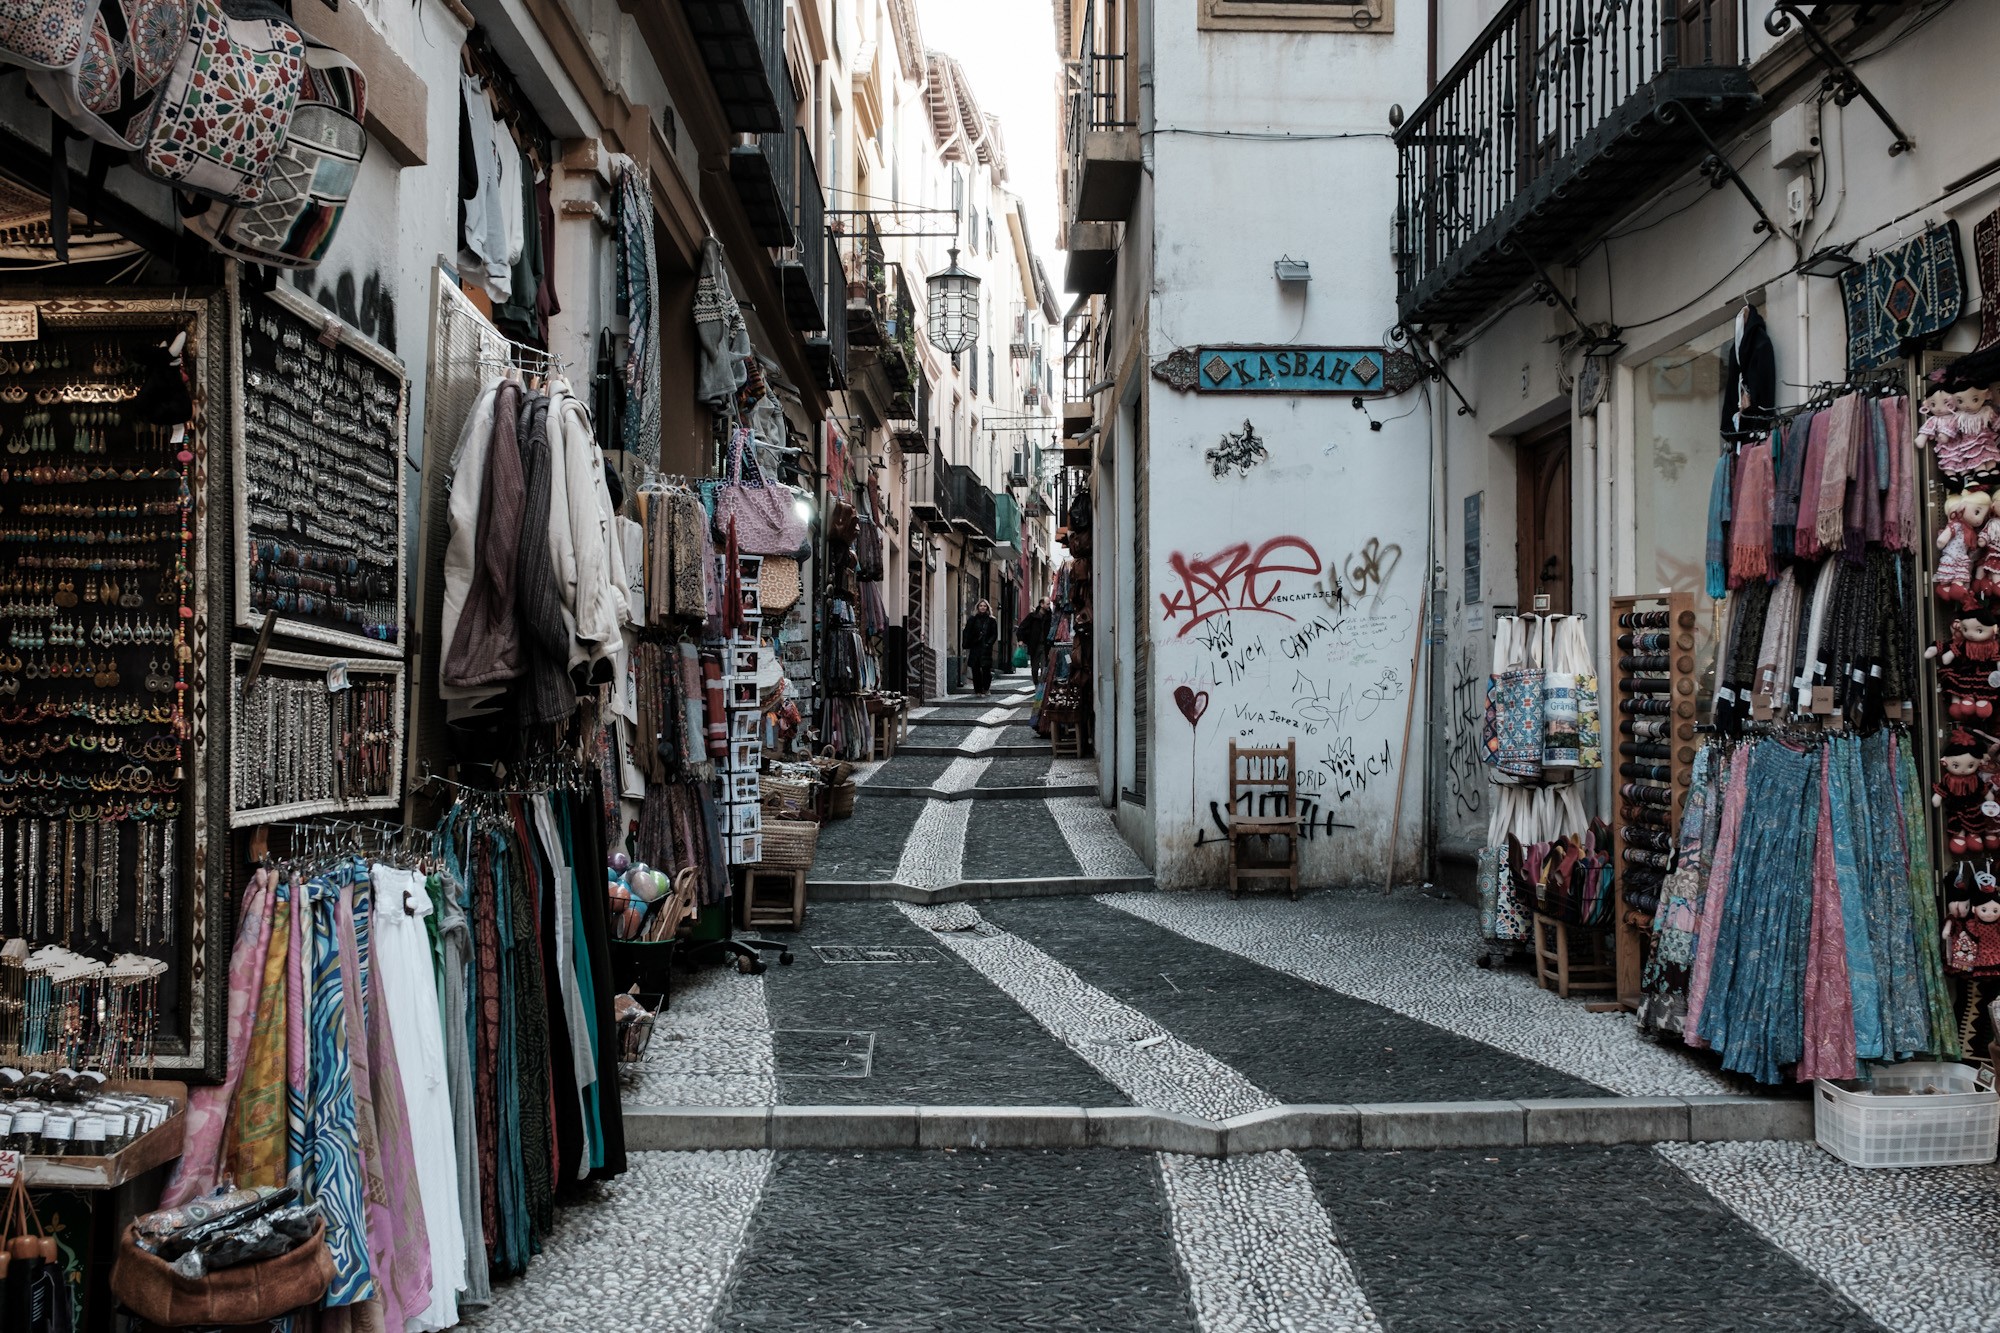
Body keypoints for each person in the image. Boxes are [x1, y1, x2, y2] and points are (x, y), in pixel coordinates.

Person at [962, 598, 999, 694]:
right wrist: (967, 643)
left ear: (987, 608)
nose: (982, 607)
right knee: (975, 669)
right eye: (981, 606)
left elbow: (994, 634)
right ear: (978, 607)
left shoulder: (991, 620)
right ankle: (977, 690)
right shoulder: (972, 619)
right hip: (975, 647)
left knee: (986, 669)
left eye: (984, 606)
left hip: (986, 648)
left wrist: (988, 643)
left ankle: (986, 688)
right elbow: (967, 632)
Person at [1017, 597, 1053, 684]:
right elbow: (1022, 627)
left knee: (1045, 667)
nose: (1049, 606)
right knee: (1035, 667)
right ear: (1041, 604)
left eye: (1049, 604)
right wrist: (1021, 639)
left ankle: (1042, 685)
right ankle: (1036, 684)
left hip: (1046, 646)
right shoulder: (1032, 616)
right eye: (1047, 604)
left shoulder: (1050, 617)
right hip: (1034, 645)